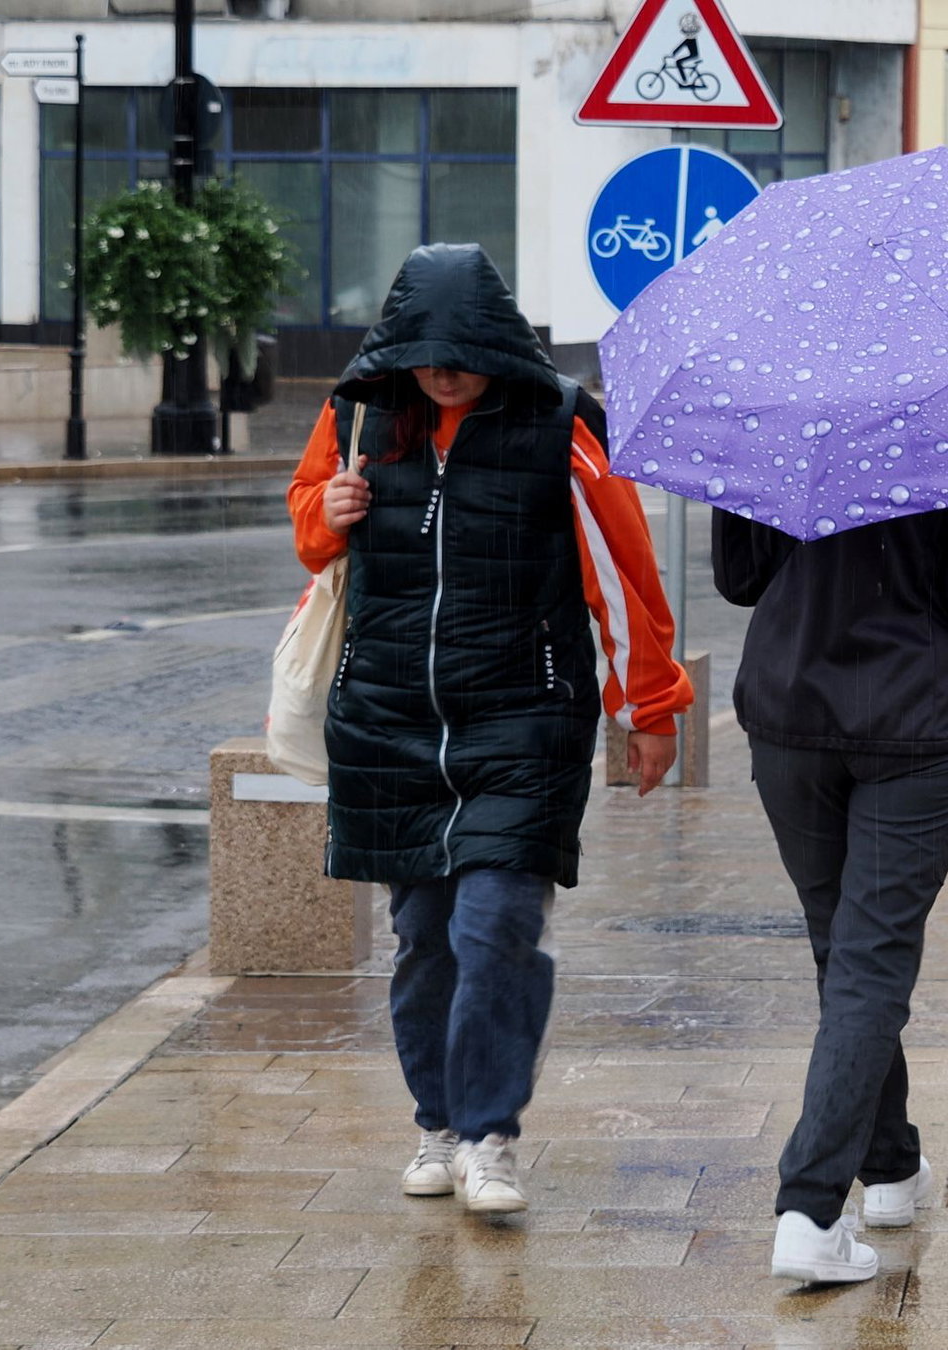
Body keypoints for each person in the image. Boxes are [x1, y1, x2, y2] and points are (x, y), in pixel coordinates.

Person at [285, 243, 692, 1217]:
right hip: (390, 721)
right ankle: (436, 1121)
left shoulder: (559, 422)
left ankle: (489, 1134)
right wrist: (327, 512)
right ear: (399, 351)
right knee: (425, 935)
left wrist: (651, 707)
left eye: (461, 354)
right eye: (428, 356)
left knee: (498, 924)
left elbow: (624, 571)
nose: (445, 371)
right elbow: (308, 533)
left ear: (495, 345)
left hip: (525, 719)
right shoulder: (355, 419)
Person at [714, 503, 948, 1284]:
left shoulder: (772, 409)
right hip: (915, 720)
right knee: (869, 961)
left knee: (846, 955)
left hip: (791, 716)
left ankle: (887, 1167)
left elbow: (738, 578)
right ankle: (811, 1210)